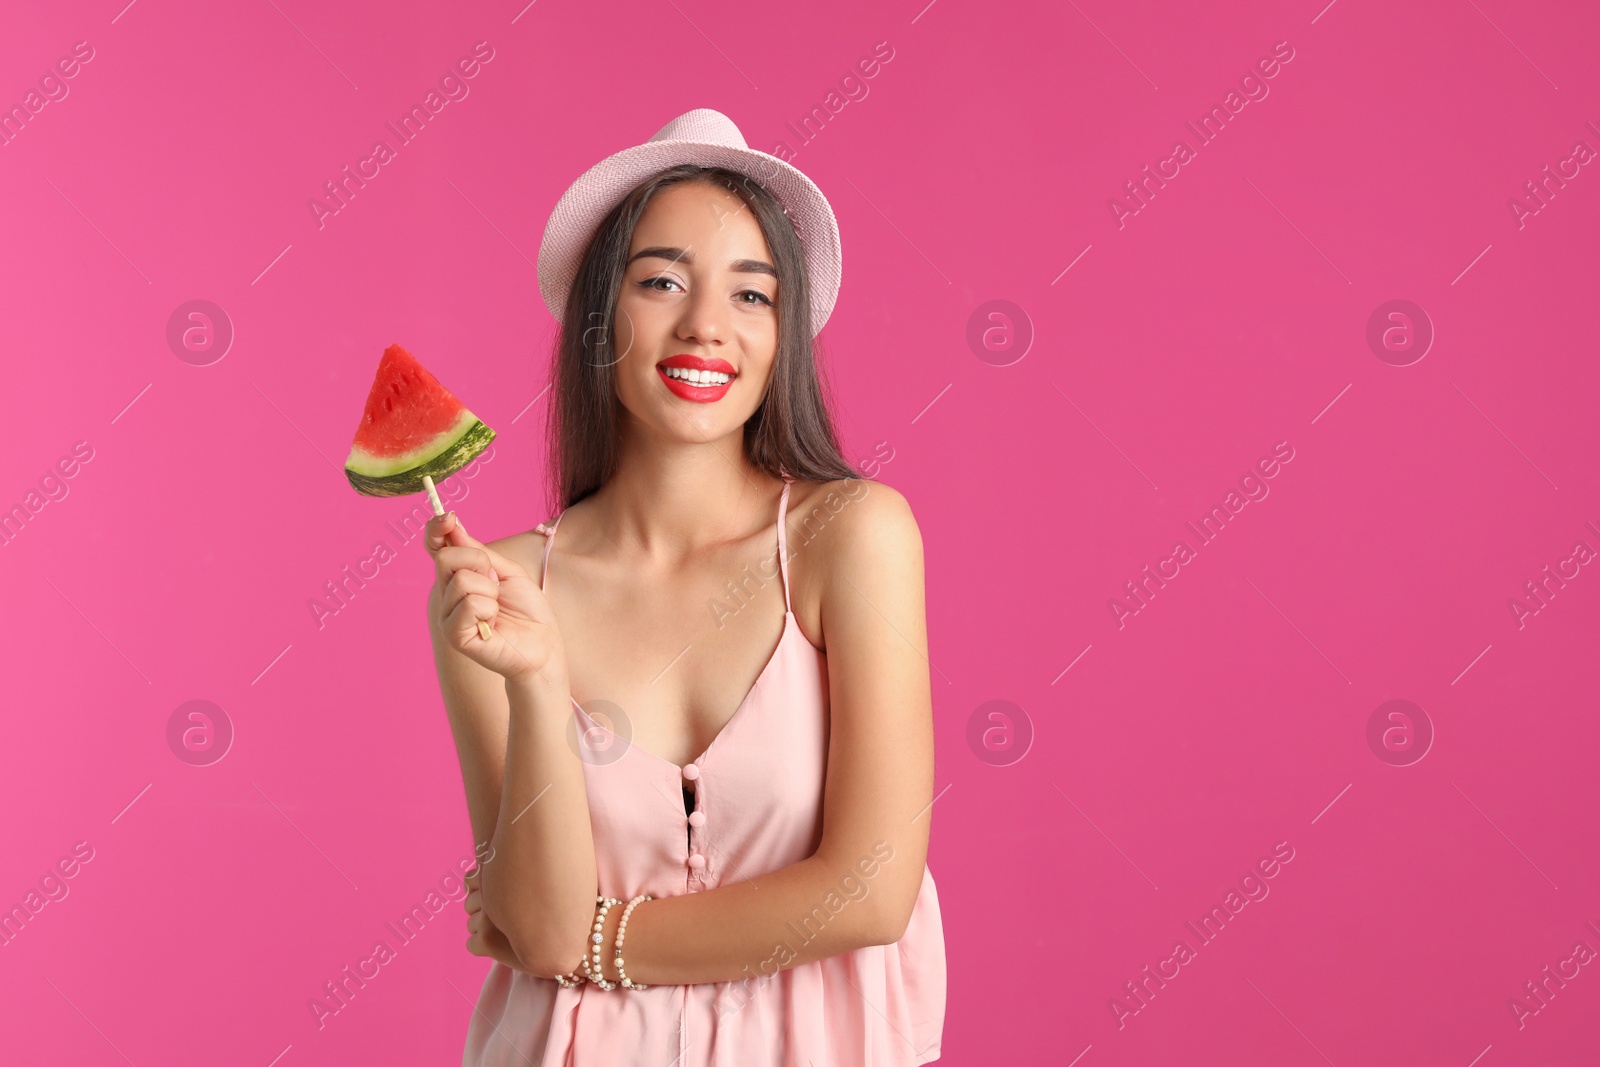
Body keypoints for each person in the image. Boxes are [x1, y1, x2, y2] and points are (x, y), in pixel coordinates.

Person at [425, 108, 945, 1066]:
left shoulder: (852, 536)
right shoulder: (498, 586)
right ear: (599, 314)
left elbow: (871, 891)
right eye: (662, 280)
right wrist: (538, 683)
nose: (707, 325)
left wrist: (592, 940)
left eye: (754, 295)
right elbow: (533, 927)